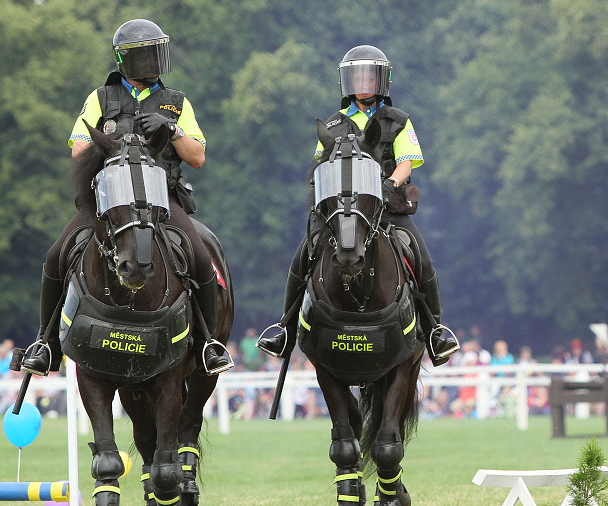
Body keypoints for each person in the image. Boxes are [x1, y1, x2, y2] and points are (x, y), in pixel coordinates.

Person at [21, 19, 232, 376]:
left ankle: (208, 344)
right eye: (144, 58)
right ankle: (47, 344)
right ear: (124, 60)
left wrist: (173, 130)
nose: (153, 65)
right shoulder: (100, 98)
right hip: (110, 206)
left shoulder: (176, 102)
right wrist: (114, 135)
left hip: (162, 202)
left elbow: (197, 157)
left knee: (199, 257)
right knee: (56, 254)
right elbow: (78, 151)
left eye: (156, 55)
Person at [256, 45, 459, 366]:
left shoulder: (399, 121)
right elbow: (322, 167)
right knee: (302, 256)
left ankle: (435, 330)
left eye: (369, 76)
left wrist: (390, 183)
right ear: (347, 82)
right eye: (357, 76)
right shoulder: (334, 125)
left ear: (382, 81)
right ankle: (285, 329)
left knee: (420, 254)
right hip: (342, 213)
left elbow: (407, 162)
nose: (363, 82)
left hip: (388, 210)